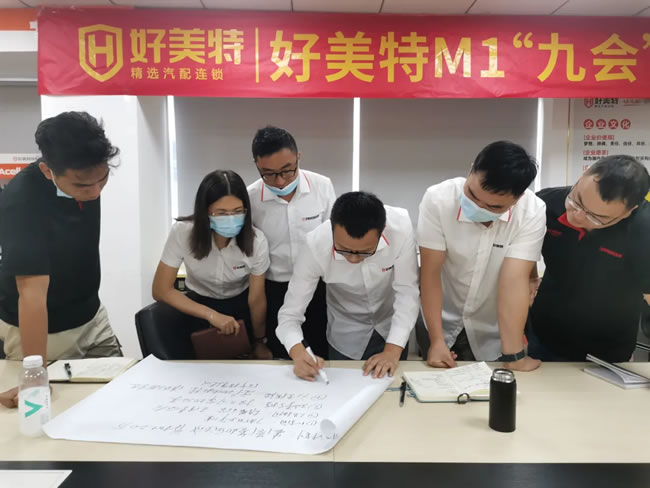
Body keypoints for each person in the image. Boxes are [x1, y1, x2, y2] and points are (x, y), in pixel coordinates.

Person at [0, 111, 121, 409]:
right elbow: (31, 295)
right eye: (82, 186)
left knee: (117, 400)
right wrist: (35, 372)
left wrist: (87, 185)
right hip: (41, 334)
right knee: (44, 412)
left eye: (103, 179)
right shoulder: (21, 202)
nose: (94, 192)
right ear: (47, 171)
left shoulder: (86, 176)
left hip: (92, 318)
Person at [418, 141, 545, 372]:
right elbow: (430, 274)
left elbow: (514, 281)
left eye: (494, 207)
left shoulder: (532, 212)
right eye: (472, 195)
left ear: (517, 199)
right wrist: (436, 340)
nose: (478, 207)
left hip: (494, 325)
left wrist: (514, 356)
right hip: (440, 317)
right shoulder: (438, 200)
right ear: (471, 170)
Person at [277, 191, 419, 381]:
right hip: (346, 333)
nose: (353, 259)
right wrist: (297, 352)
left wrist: (393, 350)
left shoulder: (400, 228)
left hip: (393, 326)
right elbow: (289, 315)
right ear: (332, 228)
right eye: (343, 250)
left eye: (365, 252)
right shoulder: (315, 245)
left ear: (382, 230)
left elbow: (407, 293)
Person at [527, 155, 650, 362]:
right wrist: (531, 276)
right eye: (577, 201)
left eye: (597, 217)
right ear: (583, 175)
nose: (577, 216)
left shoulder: (644, 231)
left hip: (609, 350)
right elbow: (523, 249)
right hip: (544, 336)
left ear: (630, 211)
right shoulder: (545, 203)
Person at [152, 170, 272, 359]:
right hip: (196, 306)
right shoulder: (182, 233)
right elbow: (160, 290)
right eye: (221, 213)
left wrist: (259, 341)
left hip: (240, 306)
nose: (231, 219)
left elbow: (256, 299)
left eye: (237, 211)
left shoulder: (257, 241)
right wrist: (211, 315)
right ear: (205, 212)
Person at [247, 126, 336, 359]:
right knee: (282, 358)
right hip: (275, 289)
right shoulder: (251, 198)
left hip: (317, 288)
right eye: (268, 174)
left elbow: (332, 237)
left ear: (298, 157)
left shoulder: (322, 186)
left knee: (320, 355)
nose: (279, 181)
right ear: (257, 165)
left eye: (287, 171)